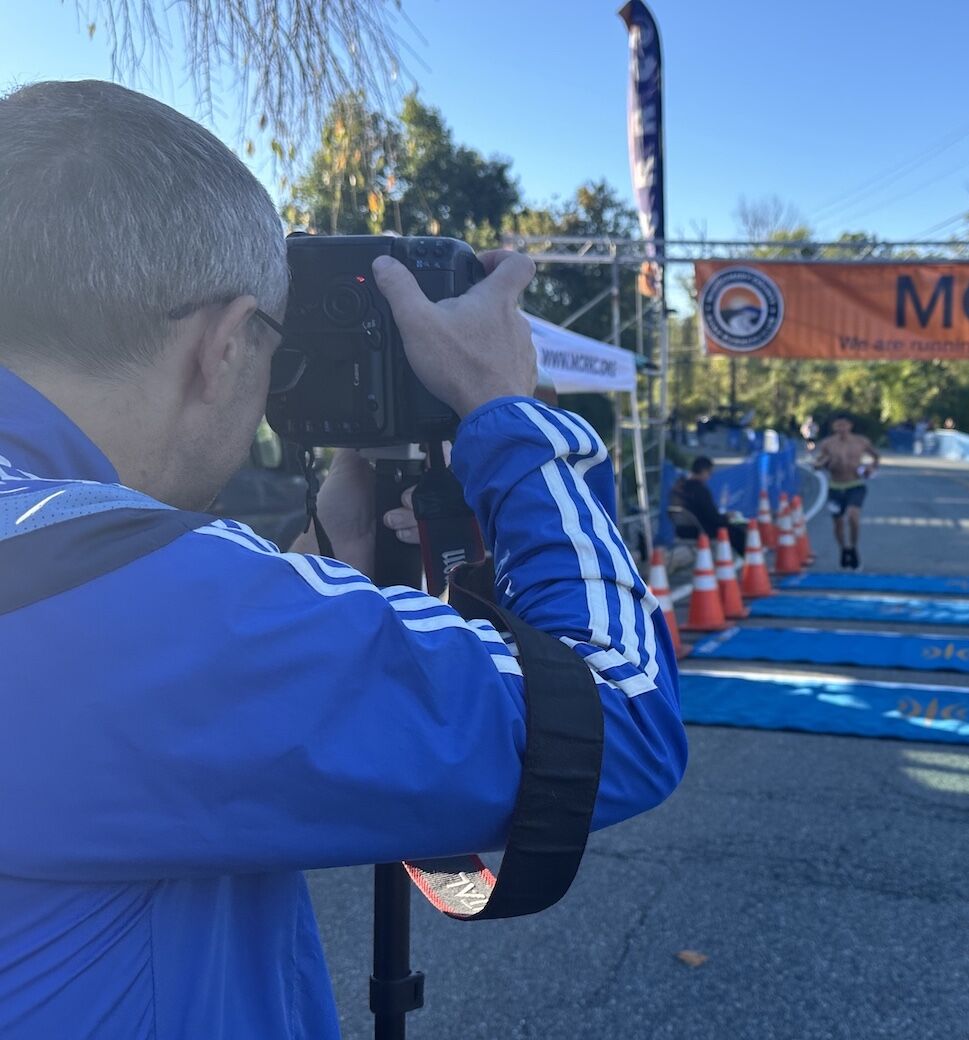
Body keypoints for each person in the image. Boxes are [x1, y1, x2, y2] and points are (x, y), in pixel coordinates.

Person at [0, 81, 686, 1037]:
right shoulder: (120, 611)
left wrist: (332, 573)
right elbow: (619, 715)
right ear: (229, 345)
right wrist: (508, 415)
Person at [813, 414, 880, 569]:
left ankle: (854, 547)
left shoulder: (861, 442)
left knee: (853, 516)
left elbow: (875, 456)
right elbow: (818, 462)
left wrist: (871, 467)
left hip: (855, 484)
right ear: (834, 427)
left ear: (850, 426)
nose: (841, 428)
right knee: (838, 523)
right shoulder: (828, 444)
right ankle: (844, 549)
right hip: (835, 487)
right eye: (838, 425)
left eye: (844, 425)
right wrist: (820, 464)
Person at [670, 455, 747, 554]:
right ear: (704, 471)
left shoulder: (679, 487)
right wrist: (726, 517)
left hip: (681, 530)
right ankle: (747, 563)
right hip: (699, 530)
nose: (709, 477)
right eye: (710, 473)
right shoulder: (700, 490)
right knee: (737, 533)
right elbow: (712, 516)